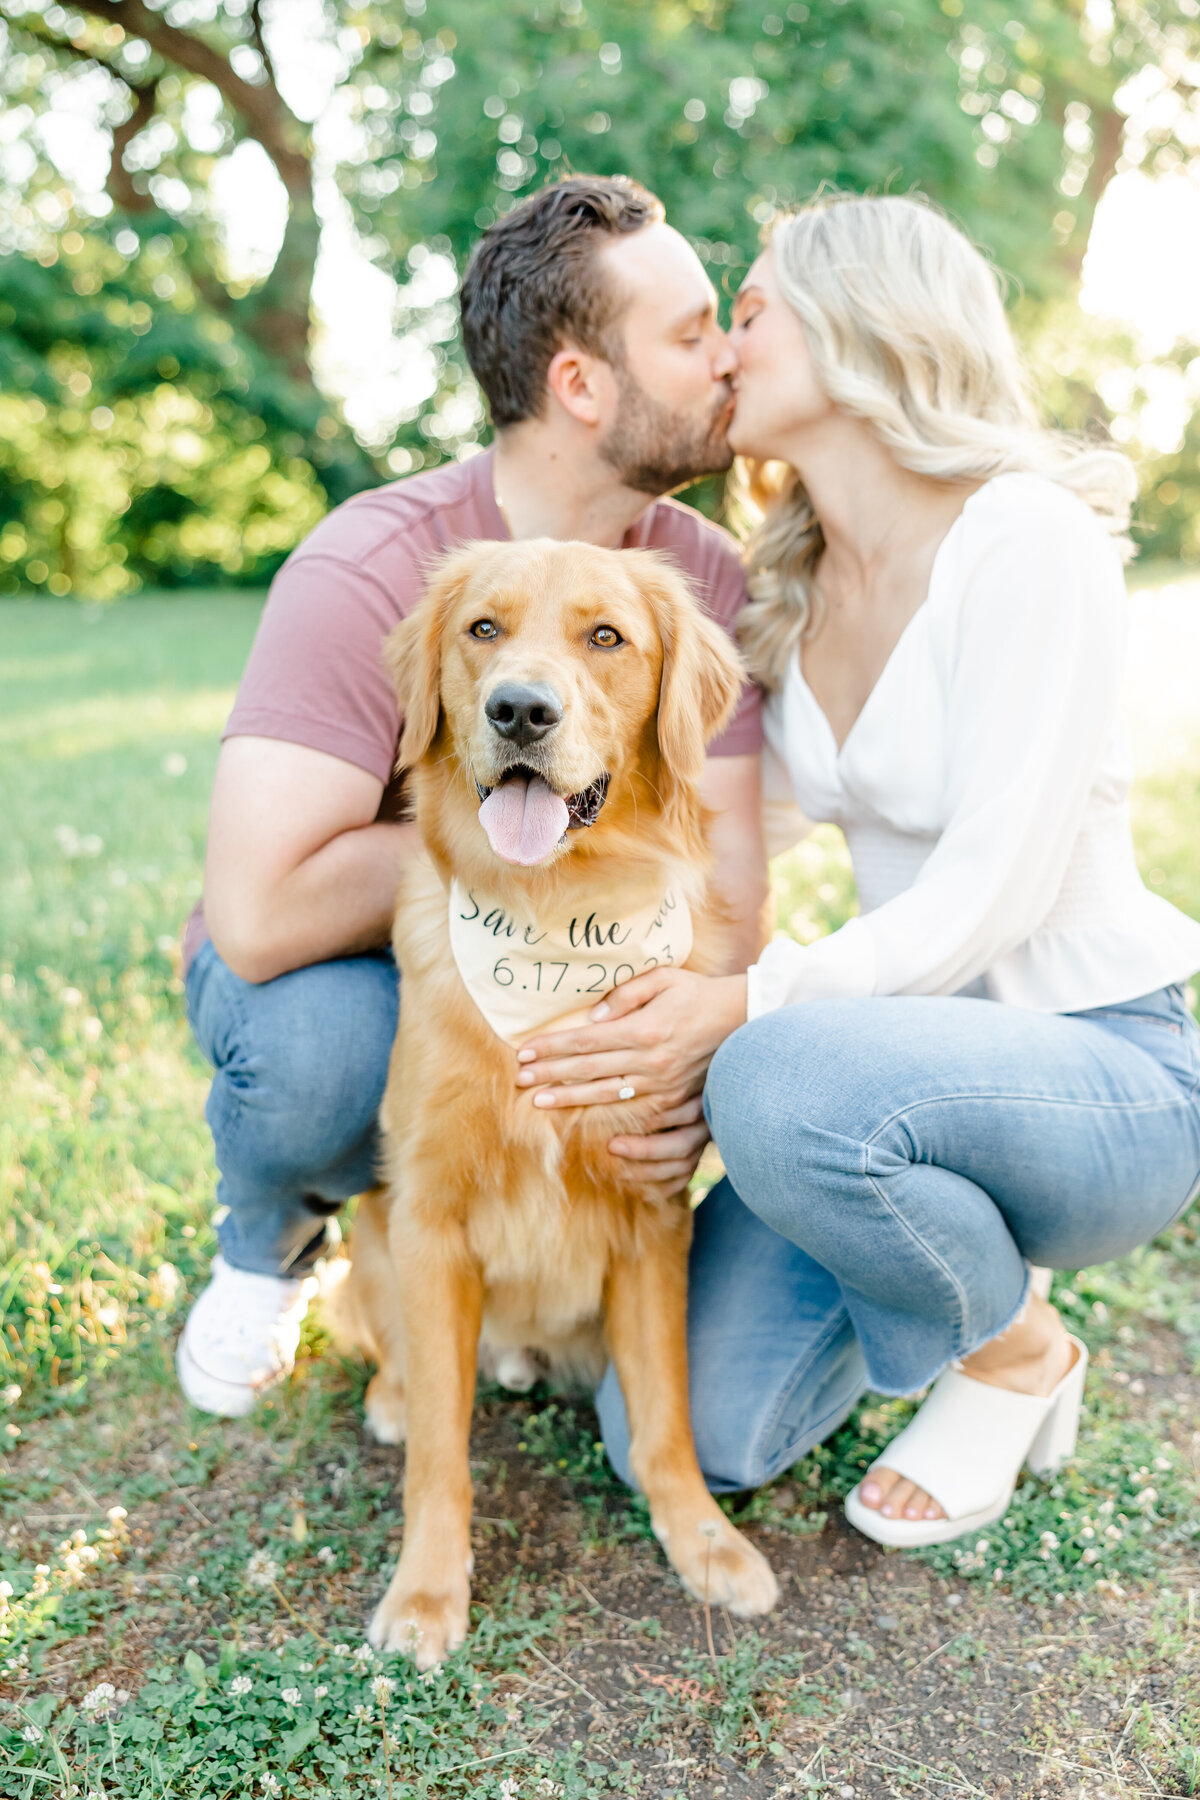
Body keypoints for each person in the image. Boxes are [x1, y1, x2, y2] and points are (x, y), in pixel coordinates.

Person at [513, 192, 1200, 1545]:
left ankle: (1011, 1352)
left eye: (749, 316)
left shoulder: (1026, 539)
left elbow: (996, 884)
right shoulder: (797, 585)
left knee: (772, 1069)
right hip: (899, 1080)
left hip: (1102, 1078)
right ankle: (934, 1265)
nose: (721, 354)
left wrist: (749, 1009)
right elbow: (706, 841)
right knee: (689, 1430)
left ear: (857, 330)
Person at [177, 175, 770, 1418]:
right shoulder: (372, 566)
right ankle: (273, 1243)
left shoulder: (700, 579)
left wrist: (687, 1050)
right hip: (345, 962)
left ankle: (542, 1246)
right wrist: (510, 836)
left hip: (586, 942)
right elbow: (262, 913)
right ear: (580, 386)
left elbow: (723, 882)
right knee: (324, 1055)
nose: (731, 358)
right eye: (693, 330)